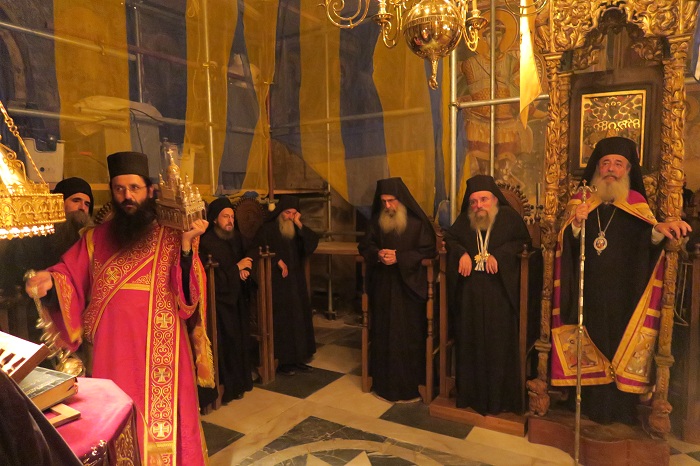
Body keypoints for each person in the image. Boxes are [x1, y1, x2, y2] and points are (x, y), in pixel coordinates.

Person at [24, 151, 213, 465]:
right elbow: (69, 272)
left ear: (149, 190)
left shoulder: (171, 235)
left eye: (134, 188)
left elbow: (188, 298)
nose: (127, 196)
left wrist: (185, 247)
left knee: (166, 427)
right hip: (112, 351)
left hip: (162, 346)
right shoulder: (95, 238)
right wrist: (51, 280)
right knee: (116, 422)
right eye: (120, 189)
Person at [551, 136, 691, 424]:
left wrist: (658, 230)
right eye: (606, 163)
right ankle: (588, 405)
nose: (611, 169)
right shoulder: (582, 201)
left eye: (618, 164)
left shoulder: (636, 202)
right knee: (590, 343)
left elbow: (646, 240)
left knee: (620, 345)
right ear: (597, 168)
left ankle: (622, 411)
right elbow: (566, 245)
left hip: (624, 293)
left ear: (628, 170)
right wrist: (575, 224)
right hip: (588, 291)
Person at [444, 174, 530, 414]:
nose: (478, 206)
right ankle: (471, 395)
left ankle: (499, 400)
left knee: (497, 346)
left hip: (499, 294)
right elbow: (450, 238)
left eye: (483, 199)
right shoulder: (466, 220)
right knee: (470, 342)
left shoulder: (509, 218)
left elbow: (523, 243)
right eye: (473, 201)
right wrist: (461, 253)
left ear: (494, 199)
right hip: (470, 295)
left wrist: (499, 255)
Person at [358, 178, 437, 402]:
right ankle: (383, 385)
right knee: (383, 335)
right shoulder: (377, 221)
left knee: (406, 338)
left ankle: (409, 387)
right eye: (384, 201)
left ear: (401, 200)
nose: (388, 206)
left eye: (391, 200)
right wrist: (378, 254)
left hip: (409, 290)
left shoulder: (417, 223)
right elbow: (365, 245)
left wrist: (400, 257)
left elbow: (429, 250)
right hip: (383, 287)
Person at [251, 195, 319, 376]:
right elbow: (256, 250)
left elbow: (312, 244)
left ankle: (299, 358)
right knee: (284, 321)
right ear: (280, 212)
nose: (290, 216)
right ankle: (283, 361)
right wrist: (277, 261)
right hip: (277, 284)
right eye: (287, 213)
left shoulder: (296, 228)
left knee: (299, 318)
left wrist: (299, 223)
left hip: (296, 281)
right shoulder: (267, 229)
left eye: (294, 213)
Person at [198, 197, 253, 403]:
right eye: (225, 217)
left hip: (236, 299)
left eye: (232, 217)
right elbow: (210, 277)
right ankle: (229, 387)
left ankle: (241, 383)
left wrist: (244, 270)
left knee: (240, 341)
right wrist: (236, 269)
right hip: (219, 304)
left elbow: (249, 253)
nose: (230, 221)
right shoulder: (207, 242)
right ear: (215, 219)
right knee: (227, 343)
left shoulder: (235, 237)